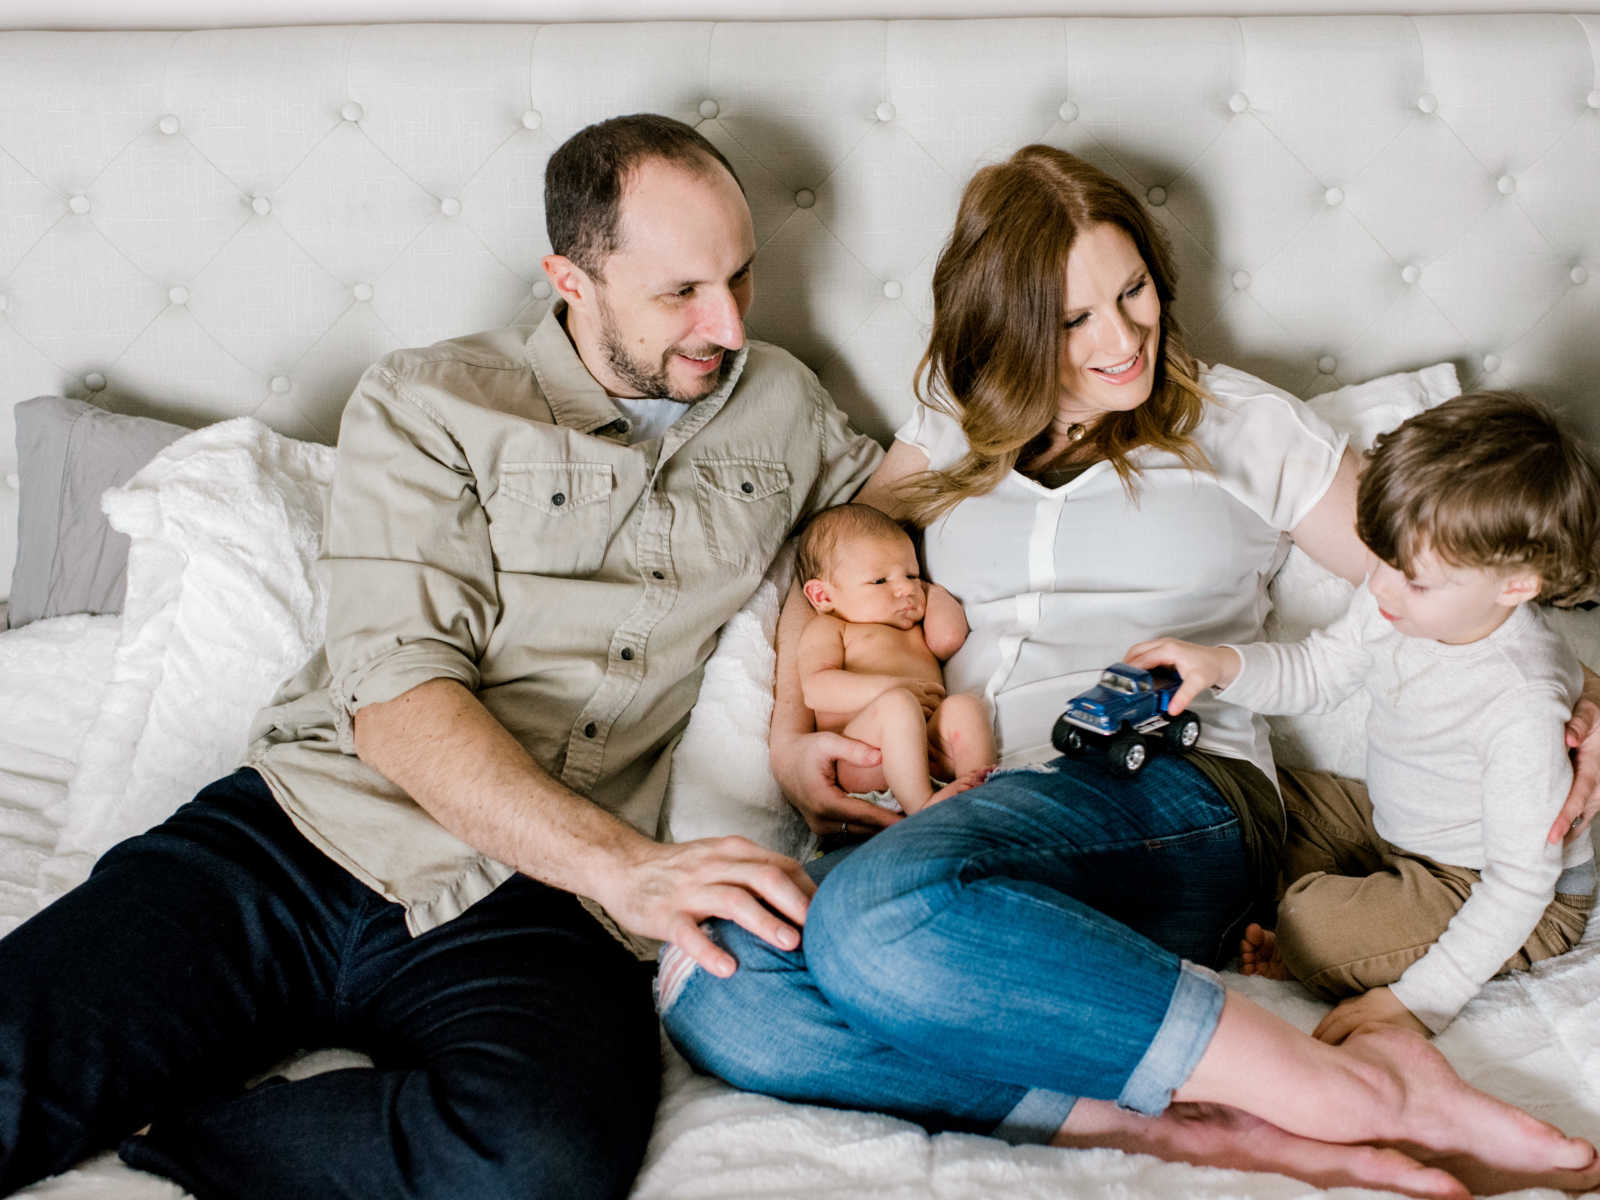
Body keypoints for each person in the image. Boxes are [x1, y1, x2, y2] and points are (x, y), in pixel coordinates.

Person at [658, 144, 1600, 1197]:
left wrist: (1588, 696)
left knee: (876, 918)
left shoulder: (1238, 425)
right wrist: (788, 735)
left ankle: (1361, 1097)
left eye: (1133, 291)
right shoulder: (947, 429)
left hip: (1171, 788)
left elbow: (1458, 571)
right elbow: (824, 568)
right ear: (1004, 327)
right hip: (981, 801)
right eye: (1071, 321)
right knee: (716, 975)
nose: (1121, 339)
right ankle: (1195, 1130)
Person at [0, 113, 883, 1199]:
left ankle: (194, 1139)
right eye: (681, 294)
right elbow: (398, 696)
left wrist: (801, 708)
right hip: (300, 838)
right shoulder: (431, 400)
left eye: (741, 278)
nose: (729, 324)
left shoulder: (783, 404)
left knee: (536, 1162)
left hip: (537, 900)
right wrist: (630, 867)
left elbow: (878, 524)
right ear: (571, 277)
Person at [1127, 390, 1598, 1044]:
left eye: (1414, 578)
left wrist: (1418, 1003)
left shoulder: (1520, 704)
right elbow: (1319, 671)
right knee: (1243, 802)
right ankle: (1340, 901)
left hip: (1497, 884)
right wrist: (1220, 665)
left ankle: (1319, 937)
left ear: (1514, 585)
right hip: (1393, 821)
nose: (1377, 588)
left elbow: (1521, 884)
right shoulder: (1395, 599)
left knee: (1312, 927)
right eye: (1380, 556)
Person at [794, 503, 995, 814]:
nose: (904, 588)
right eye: (880, 581)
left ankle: (981, 787)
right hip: (866, 757)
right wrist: (889, 688)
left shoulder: (913, 628)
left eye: (911, 575)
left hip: (927, 748)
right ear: (823, 596)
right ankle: (922, 807)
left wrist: (932, 591)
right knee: (897, 704)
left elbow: (948, 639)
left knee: (965, 706)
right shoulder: (832, 628)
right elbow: (816, 688)